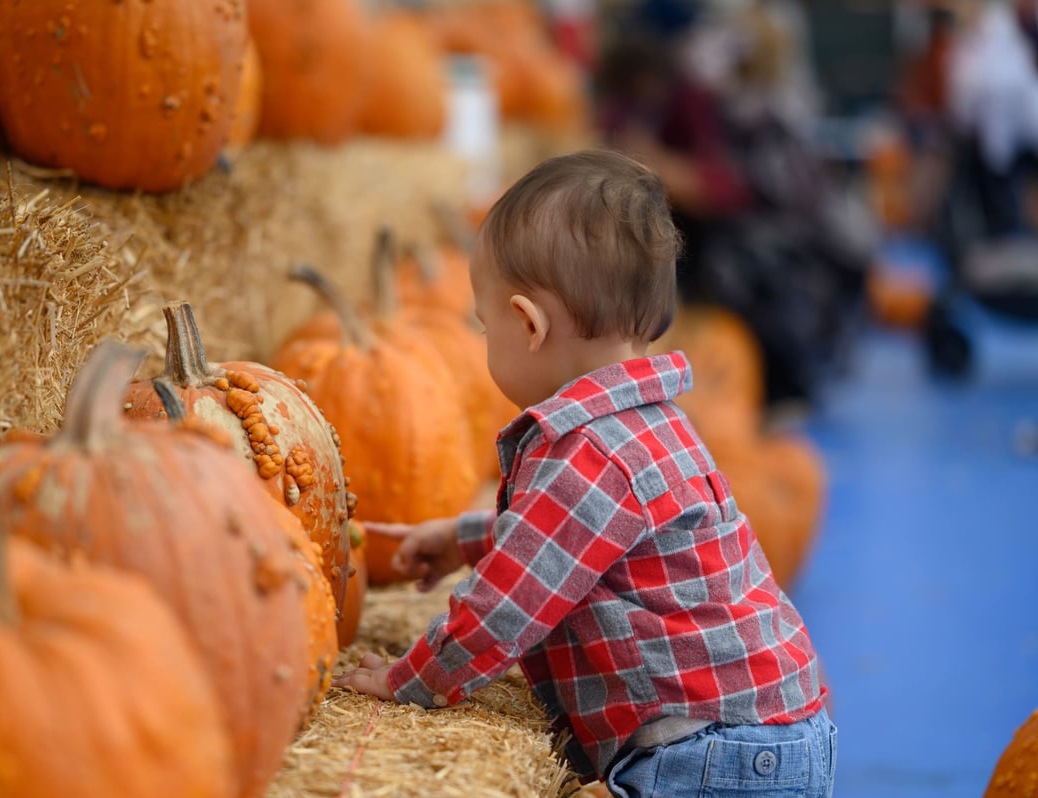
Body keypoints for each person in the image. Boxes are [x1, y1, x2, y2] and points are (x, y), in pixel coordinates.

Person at [333, 150, 836, 797]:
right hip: (775, 725)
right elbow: (576, 536)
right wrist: (466, 538)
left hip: (711, 750)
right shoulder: (651, 421)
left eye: (485, 327)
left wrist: (412, 680)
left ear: (528, 324)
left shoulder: (589, 450)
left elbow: (505, 607)